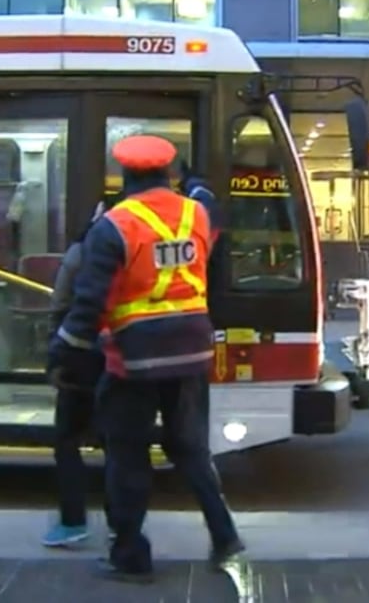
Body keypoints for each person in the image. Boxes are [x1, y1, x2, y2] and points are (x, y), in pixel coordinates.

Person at [49, 135, 243, 583]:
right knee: (191, 449)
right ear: (167, 173)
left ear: (124, 175)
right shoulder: (196, 214)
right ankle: (225, 535)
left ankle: (131, 556)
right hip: (192, 351)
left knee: (127, 456)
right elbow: (209, 204)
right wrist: (195, 183)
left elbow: (89, 305)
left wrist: (63, 354)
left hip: (135, 360)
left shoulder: (113, 226)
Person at [41, 202, 111, 548]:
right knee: (117, 445)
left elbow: (59, 307)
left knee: (67, 440)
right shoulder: (134, 251)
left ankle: (73, 521)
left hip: (78, 358)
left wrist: (54, 357)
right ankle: (121, 524)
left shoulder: (79, 253)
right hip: (119, 357)